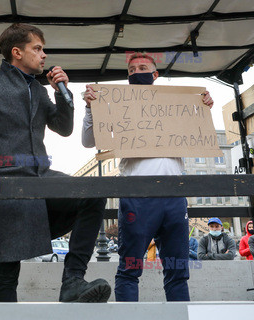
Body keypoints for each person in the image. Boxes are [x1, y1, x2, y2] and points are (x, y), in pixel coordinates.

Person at [0, 23, 109, 303]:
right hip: (9, 183)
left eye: (43, 49)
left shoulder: (41, 91)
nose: (44, 55)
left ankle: (73, 280)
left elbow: (63, 129)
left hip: (42, 177)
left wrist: (62, 92)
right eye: (37, 49)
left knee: (93, 193)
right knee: (7, 271)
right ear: (17, 52)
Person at [82, 52, 214, 302]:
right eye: (131, 70)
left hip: (174, 195)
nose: (136, 72)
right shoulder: (117, 105)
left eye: (142, 67)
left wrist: (203, 108)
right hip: (136, 196)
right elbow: (89, 141)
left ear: (155, 74)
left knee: (178, 271)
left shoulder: (176, 105)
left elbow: (199, 133)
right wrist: (90, 109)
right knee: (130, 269)